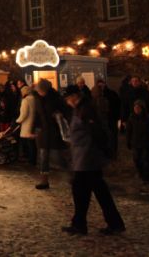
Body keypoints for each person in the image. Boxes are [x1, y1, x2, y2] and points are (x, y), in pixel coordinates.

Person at [60, 86, 125, 236]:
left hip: (87, 158)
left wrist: (105, 152)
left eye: (68, 99)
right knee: (98, 191)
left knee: (81, 192)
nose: (67, 102)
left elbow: (97, 132)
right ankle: (113, 223)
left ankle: (81, 224)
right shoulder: (80, 109)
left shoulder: (86, 110)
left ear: (75, 96)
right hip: (84, 158)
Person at [34, 79, 66, 190]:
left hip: (54, 132)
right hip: (43, 132)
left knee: (59, 157)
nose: (38, 92)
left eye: (40, 90)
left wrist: (59, 115)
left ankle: (73, 176)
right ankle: (44, 181)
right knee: (43, 157)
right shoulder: (37, 99)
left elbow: (64, 111)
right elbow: (37, 115)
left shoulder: (55, 99)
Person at [126, 99, 149, 194]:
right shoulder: (131, 118)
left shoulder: (148, 118)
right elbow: (129, 131)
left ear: (142, 109)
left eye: (138, 108)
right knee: (137, 160)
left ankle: (146, 178)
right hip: (136, 143)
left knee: (146, 161)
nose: (137, 109)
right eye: (135, 108)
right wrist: (128, 141)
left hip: (146, 144)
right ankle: (140, 173)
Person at [16, 85, 37, 165]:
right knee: (32, 143)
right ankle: (33, 159)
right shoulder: (34, 99)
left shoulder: (25, 100)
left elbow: (24, 114)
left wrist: (18, 121)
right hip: (33, 123)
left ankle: (30, 160)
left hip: (26, 124)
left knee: (28, 143)